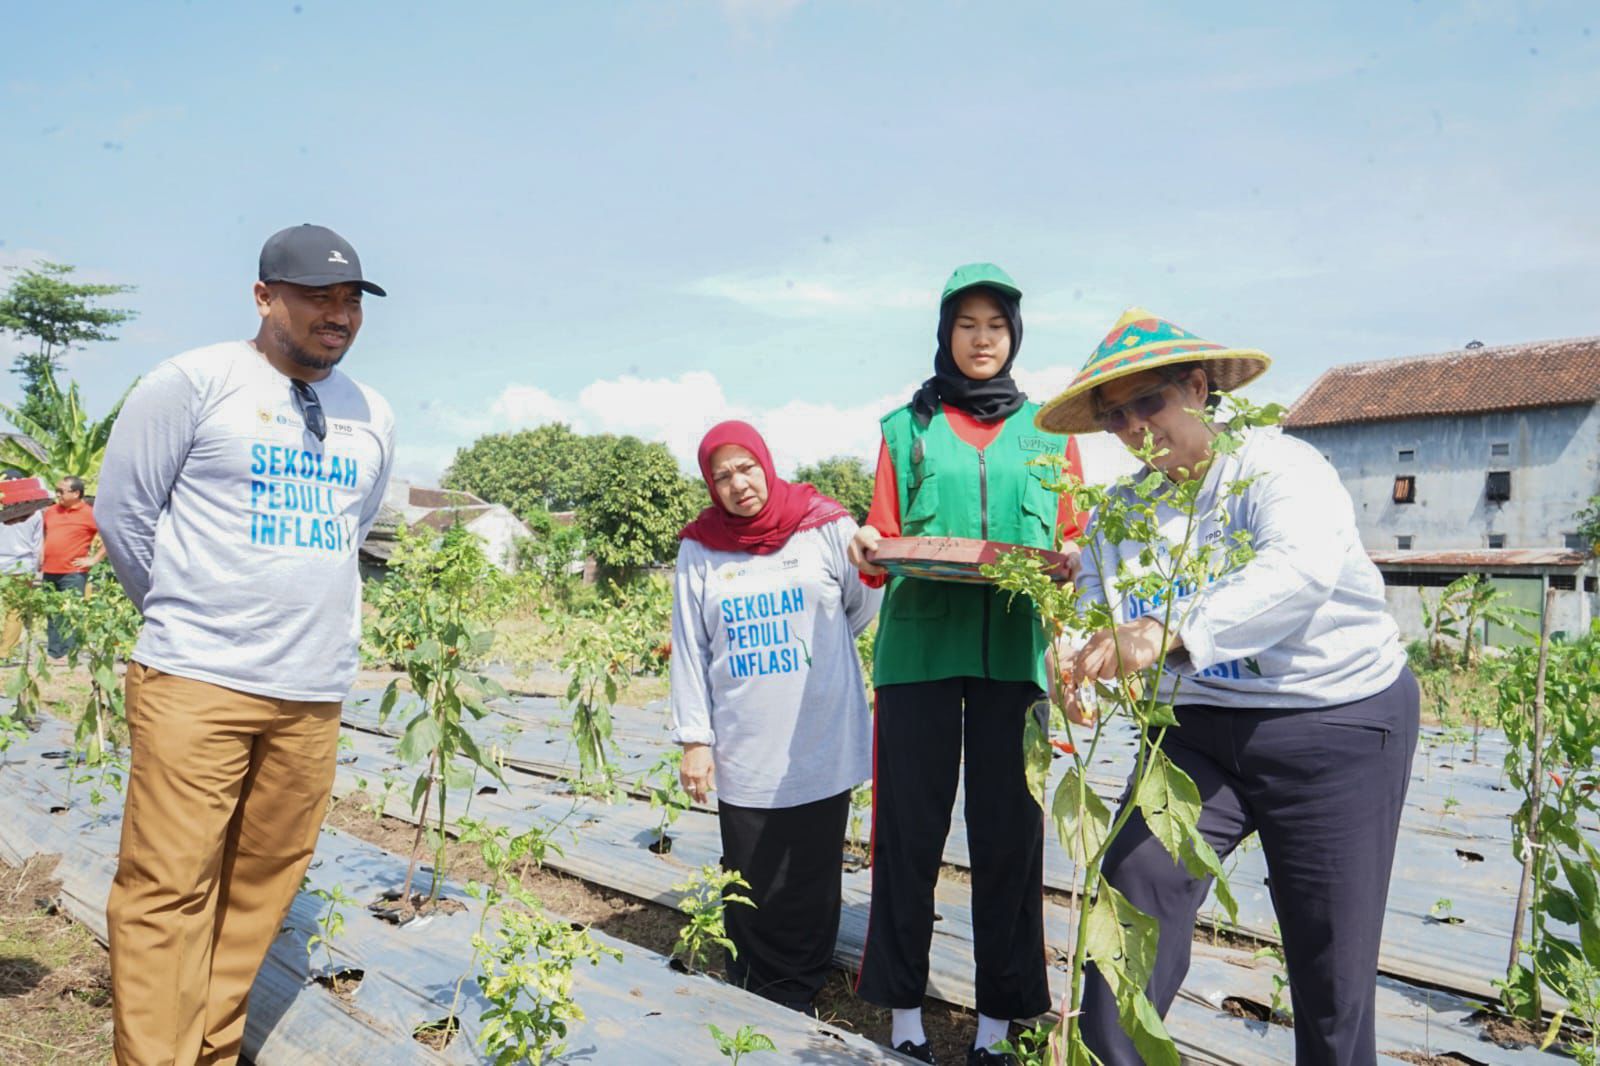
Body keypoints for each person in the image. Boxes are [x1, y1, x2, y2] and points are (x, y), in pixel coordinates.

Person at [1035, 308, 1419, 1066]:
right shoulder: (1127, 510)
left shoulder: (1279, 468)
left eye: (1149, 404)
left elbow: (1296, 574)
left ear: (1199, 388)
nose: (1136, 429)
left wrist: (1162, 633)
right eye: (1116, 418)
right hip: (1201, 732)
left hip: (1336, 725)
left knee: (1330, 956)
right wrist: (1074, 654)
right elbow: (1094, 598)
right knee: (1131, 898)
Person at [96, 223, 395, 1066]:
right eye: (315, 297)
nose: (336, 316)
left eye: (349, 301)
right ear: (264, 297)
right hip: (197, 680)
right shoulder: (191, 382)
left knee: (262, 887)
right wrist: (194, 617)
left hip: (311, 694)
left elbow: (350, 532)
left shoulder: (371, 414)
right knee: (166, 888)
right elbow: (125, 517)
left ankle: (211, 1049)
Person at [847, 263, 1086, 1066]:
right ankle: (903, 1009)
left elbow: (1074, 538)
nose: (982, 340)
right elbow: (879, 546)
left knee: (1010, 836)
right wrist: (867, 548)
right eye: (966, 325)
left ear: (1014, 336)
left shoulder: (1052, 432)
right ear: (944, 334)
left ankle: (999, 1017)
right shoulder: (902, 428)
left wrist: (1073, 562)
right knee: (909, 834)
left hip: (1014, 658)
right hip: (917, 654)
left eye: (997, 326)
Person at [670, 420, 881, 1016]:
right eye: (722, 475)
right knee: (751, 868)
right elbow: (689, 645)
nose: (738, 484)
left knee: (812, 868)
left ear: (766, 463)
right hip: (743, 736)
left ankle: (802, 986)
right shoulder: (700, 548)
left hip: (817, 729)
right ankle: (756, 984)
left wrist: (816, 658)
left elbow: (860, 605)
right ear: (712, 486)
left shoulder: (824, 525)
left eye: (746, 468)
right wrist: (695, 739)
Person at [41, 475, 104, 658]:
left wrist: (94, 559)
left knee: (70, 613)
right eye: (57, 490)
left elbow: (110, 536)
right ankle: (54, 653)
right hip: (49, 570)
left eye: (62, 491)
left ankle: (70, 654)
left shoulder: (90, 514)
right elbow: (45, 535)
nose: (57, 494)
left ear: (76, 493)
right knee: (52, 613)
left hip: (73, 572)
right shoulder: (51, 511)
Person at [0, 503, 43, 663]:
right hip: (21, 566)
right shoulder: (35, 512)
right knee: (15, 609)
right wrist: (36, 567)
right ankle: (5, 652)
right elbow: (37, 543)